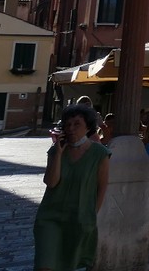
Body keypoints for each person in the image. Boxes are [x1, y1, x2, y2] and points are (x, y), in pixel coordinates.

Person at [34, 104, 111, 271]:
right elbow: (51, 182)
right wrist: (58, 154)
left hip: (78, 219)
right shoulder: (55, 151)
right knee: (44, 265)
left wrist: (92, 215)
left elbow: (102, 187)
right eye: (68, 124)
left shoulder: (99, 153)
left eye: (77, 124)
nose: (71, 128)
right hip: (50, 217)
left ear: (88, 127)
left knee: (67, 265)